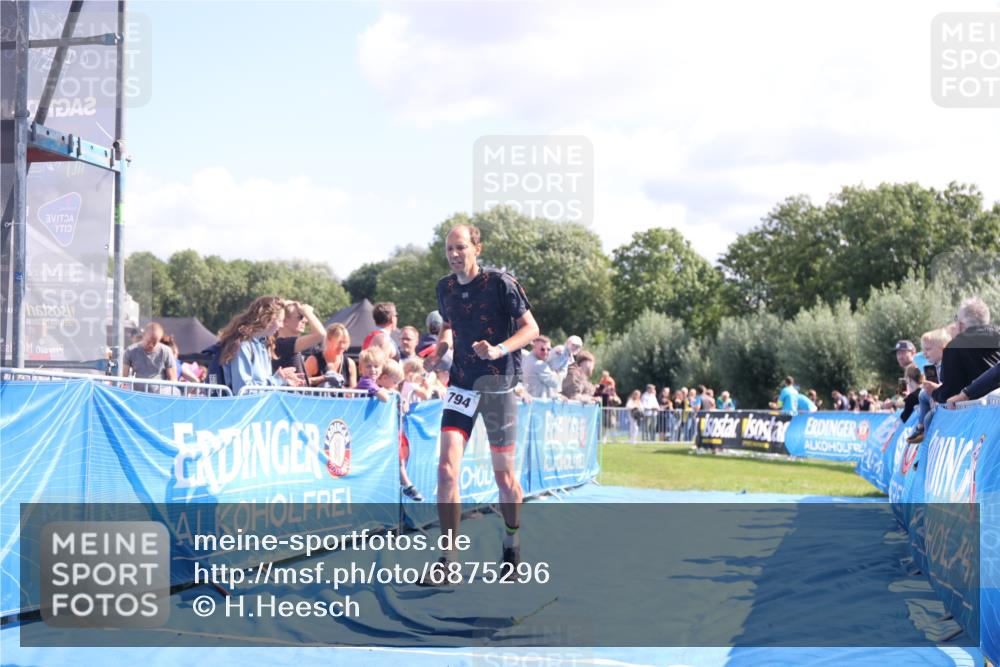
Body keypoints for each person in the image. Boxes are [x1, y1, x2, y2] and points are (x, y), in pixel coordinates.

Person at [420, 224, 539, 584]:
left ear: (477, 248)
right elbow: (450, 326)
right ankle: (449, 560)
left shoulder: (501, 284)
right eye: (449, 249)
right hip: (461, 384)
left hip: (498, 386)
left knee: (504, 477)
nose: (454, 255)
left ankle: (511, 543)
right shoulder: (445, 288)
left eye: (461, 248)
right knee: (445, 471)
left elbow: (531, 328)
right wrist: (440, 350)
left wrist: (499, 348)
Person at [218, 296, 304, 395]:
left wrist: (283, 380)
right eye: (280, 321)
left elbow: (263, 385)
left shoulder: (264, 345)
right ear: (267, 319)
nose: (282, 325)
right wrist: (278, 380)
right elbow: (243, 391)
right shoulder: (243, 346)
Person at [932, 297, 1000, 407]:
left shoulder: (954, 347)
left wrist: (934, 394)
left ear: (961, 324)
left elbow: (950, 392)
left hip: (975, 414)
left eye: (956, 318)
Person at [906, 327, 953, 444]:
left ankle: (925, 451)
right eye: (923, 350)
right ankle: (921, 428)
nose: (924, 353)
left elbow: (949, 388)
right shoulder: (934, 366)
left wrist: (935, 391)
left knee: (928, 418)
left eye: (928, 349)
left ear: (943, 349)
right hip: (938, 398)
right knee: (922, 394)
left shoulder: (948, 365)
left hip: (948, 402)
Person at [272, 301, 326, 372]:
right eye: (300, 317)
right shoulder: (282, 344)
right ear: (284, 320)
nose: (305, 320)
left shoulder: (285, 344)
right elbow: (321, 334)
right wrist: (308, 312)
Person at [124, 322, 177, 392]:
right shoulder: (130, 350)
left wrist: (168, 395)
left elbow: (173, 378)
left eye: (155, 342)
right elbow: (124, 377)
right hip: (138, 396)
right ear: (143, 335)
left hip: (159, 396)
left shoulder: (166, 351)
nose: (151, 345)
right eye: (148, 341)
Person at [304, 323, 357, 389]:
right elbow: (302, 383)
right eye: (339, 342)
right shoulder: (313, 361)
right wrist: (324, 378)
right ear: (328, 340)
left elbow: (353, 391)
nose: (342, 346)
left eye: (345, 342)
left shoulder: (350, 364)